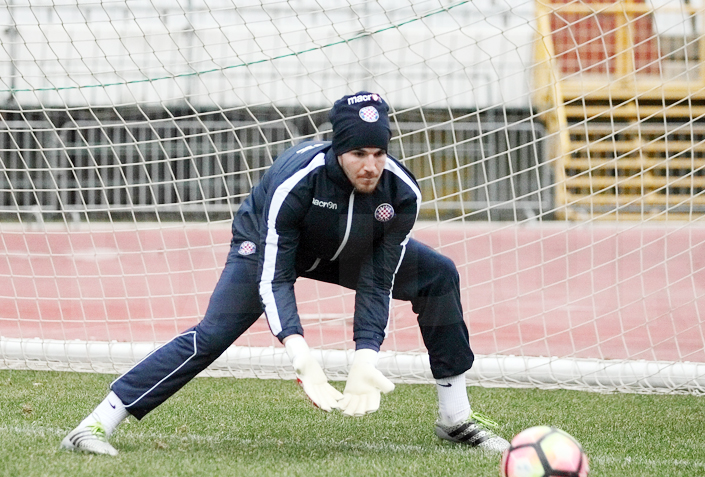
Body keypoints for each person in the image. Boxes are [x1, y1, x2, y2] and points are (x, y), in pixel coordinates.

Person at [60, 91, 510, 456]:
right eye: (358, 153)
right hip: (270, 245)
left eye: (378, 152)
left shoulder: (402, 192)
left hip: (346, 249)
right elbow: (277, 277)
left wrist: (365, 356)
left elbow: (377, 278)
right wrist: (301, 354)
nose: (371, 165)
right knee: (213, 334)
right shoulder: (298, 180)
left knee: (439, 275)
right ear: (337, 148)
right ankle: (96, 422)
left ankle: (454, 418)